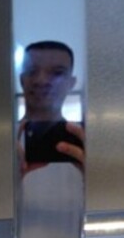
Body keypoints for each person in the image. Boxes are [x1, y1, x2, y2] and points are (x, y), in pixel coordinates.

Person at [18, 41, 84, 172]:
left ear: (71, 84)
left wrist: (96, 174)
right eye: (32, 71)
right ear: (22, 80)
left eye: (57, 73)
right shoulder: (1, 139)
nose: (41, 81)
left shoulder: (85, 139)